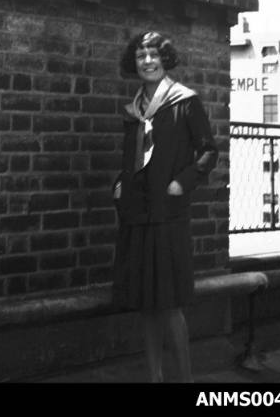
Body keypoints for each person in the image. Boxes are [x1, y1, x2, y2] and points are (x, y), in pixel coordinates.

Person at [112, 30, 218, 383]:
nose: (147, 61)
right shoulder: (135, 107)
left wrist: (183, 182)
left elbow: (208, 150)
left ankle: (184, 379)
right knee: (146, 302)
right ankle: (154, 378)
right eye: (141, 56)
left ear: (165, 59)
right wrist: (121, 181)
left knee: (169, 303)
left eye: (154, 55)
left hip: (168, 213)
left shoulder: (185, 101)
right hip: (137, 213)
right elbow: (136, 156)